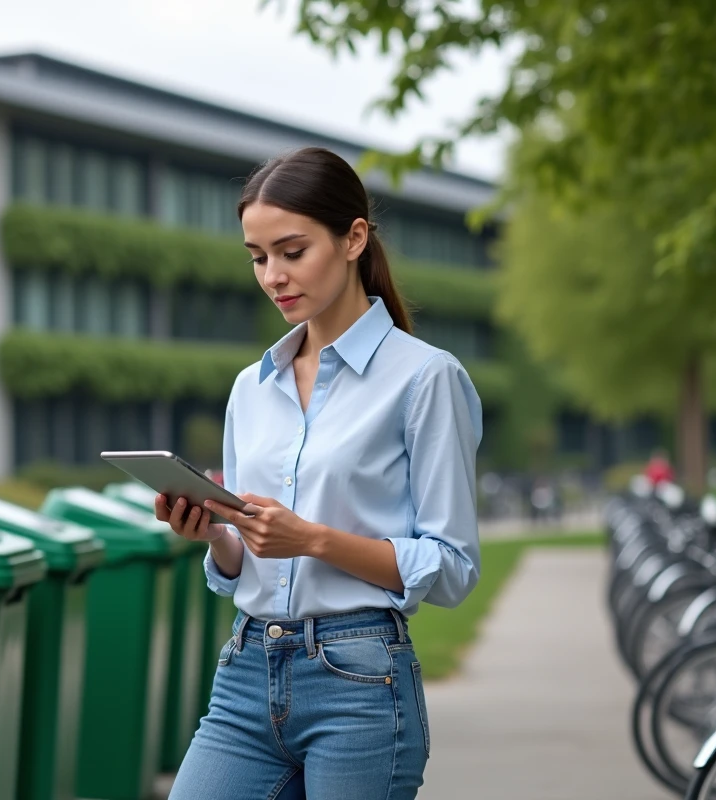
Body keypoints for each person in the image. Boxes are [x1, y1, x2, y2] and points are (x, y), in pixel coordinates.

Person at [156, 147, 483, 799]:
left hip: (359, 684)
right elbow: (250, 556)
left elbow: (452, 567)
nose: (273, 274)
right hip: (247, 672)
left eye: (292, 250)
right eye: (257, 257)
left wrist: (311, 539)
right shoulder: (252, 386)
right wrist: (215, 536)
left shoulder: (425, 378)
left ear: (353, 238)